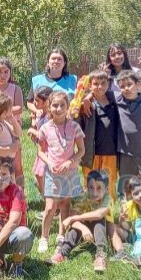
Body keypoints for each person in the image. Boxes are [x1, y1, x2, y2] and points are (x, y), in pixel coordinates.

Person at [37, 91, 85, 253]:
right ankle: (44, 237)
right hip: (52, 173)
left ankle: (61, 234)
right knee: (50, 206)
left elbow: (81, 150)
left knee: (65, 204)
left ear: (67, 107)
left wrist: (70, 161)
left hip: (69, 173)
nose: (58, 109)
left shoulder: (74, 127)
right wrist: (49, 162)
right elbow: (40, 152)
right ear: (49, 107)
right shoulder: (45, 128)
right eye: (54, 105)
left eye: (62, 105)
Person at [47, 170, 112, 272]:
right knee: (75, 228)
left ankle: (100, 254)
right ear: (86, 187)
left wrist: (73, 218)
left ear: (107, 189)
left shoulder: (107, 198)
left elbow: (99, 214)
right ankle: (62, 253)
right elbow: (73, 221)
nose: (94, 192)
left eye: (99, 188)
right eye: (91, 187)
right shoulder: (82, 197)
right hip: (84, 232)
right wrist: (83, 228)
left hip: (102, 230)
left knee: (99, 222)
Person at [76, 70, 120, 199]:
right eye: (95, 84)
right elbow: (74, 119)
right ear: (90, 85)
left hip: (110, 151)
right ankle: (90, 215)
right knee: (91, 184)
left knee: (109, 184)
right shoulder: (85, 104)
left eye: (103, 83)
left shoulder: (115, 101)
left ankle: (108, 216)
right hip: (91, 153)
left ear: (108, 84)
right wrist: (84, 99)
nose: (99, 87)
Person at [0, 57, 25, 187]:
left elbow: (19, 107)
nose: (2, 75)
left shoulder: (15, 89)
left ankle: (20, 195)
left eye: (6, 72)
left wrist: (2, 110)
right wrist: (4, 110)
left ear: (10, 73)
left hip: (13, 129)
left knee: (17, 165)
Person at [26, 48, 77, 116]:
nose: (56, 61)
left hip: (69, 121)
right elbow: (29, 103)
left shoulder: (73, 80)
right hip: (44, 123)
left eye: (59, 59)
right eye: (53, 58)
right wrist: (38, 111)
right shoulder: (37, 80)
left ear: (64, 63)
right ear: (48, 62)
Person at [27, 86, 53, 195]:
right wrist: (33, 121)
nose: (34, 103)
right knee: (38, 176)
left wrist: (34, 132)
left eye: (37, 100)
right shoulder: (42, 114)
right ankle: (48, 199)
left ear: (46, 101)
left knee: (43, 177)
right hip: (41, 151)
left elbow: (47, 136)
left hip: (47, 152)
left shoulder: (49, 117)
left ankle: (51, 200)